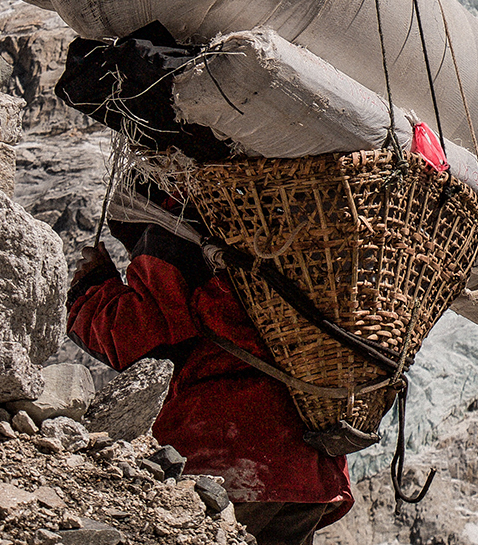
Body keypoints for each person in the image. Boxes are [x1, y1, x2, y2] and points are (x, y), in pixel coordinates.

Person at [68, 210, 353, 545]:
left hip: (226, 454)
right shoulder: (305, 227)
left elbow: (136, 336)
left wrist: (92, 289)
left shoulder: (182, 222)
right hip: (312, 465)